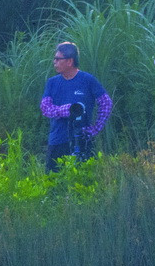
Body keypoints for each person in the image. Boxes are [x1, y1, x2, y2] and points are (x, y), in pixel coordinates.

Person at [40, 42, 112, 172]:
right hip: (57, 139)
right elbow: (45, 107)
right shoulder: (52, 82)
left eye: (58, 59)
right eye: (54, 59)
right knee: (53, 181)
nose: (54, 62)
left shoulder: (87, 80)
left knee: (82, 181)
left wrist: (96, 128)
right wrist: (65, 110)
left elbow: (106, 102)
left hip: (82, 139)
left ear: (69, 61)